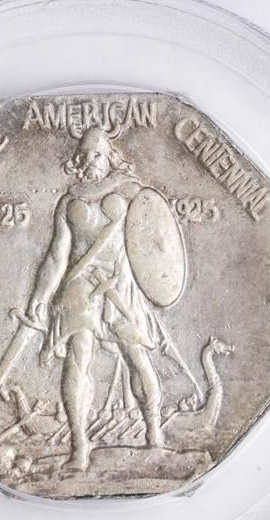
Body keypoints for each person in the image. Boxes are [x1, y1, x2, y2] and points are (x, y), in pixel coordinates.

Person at [25, 127, 167, 471]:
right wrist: (41, 295)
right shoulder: (69, 201)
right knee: (78, 356)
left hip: (119, 283)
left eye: (98, 154)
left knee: (137, 357)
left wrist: (157, 282)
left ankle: (154, 434)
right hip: (79, 286)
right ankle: (79, 447)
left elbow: (155, 244)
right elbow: (58, 254)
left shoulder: (131, 192)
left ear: (109, 157)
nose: (91, 161)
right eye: (85, 155)